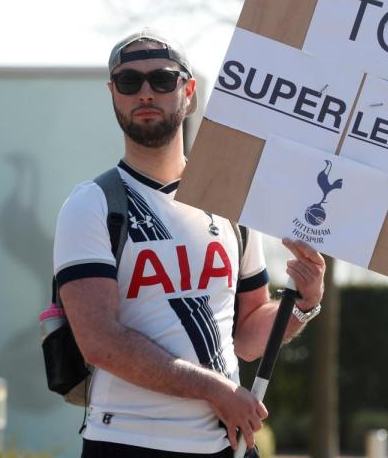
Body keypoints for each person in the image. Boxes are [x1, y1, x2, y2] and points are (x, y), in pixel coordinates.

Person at [52, 29, 326, 457]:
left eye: (162, 79)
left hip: (226, 444)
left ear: (189, 92)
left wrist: (303, 304)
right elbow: (100, 340)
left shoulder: (231, 204)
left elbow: (248, 333)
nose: (145, 92)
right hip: (127, 441)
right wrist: (217, 389)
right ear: (113, 94)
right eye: (129, 82)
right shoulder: (90, 204)